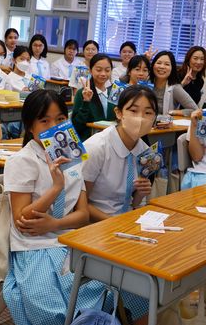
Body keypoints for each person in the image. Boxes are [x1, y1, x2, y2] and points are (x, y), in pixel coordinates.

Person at [3, 89, 147, 325]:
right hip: (34, 248)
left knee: (118, 285)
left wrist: (55, 223)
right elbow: (22, 220)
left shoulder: (73, 157)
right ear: (30, 126)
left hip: (69, 239)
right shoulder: (22, 160)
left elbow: (81, 215)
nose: (54, 127)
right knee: (53, 308)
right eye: (44, 121)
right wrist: (55, 188)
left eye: (60, 119)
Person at [83, 85, 158, 220]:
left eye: (148, 113)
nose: (140, 118)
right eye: (133, 111)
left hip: (127, 218)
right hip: (96, 222)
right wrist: (114, 223)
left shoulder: (145, 151)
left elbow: (134, 203)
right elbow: (80, 204)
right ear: (119, 113)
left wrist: (141, 193)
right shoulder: (96, 147)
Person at [71, 54, 114, 140]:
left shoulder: (113, 93)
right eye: (98, 70)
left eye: (107, 70)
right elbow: (76, 125)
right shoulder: (82, 93)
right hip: (89, 140)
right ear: (90, 70)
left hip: (109, 140)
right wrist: (86, 102)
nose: (103, 74)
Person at [149, 51, 197, 117]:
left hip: (163, 123)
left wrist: (172, 112)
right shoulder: (145, 82)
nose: (162, 66)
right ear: (153, 65)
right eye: (159, 63)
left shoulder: (175, 88)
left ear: (172, 68)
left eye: (167, 64)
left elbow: (195, 110)